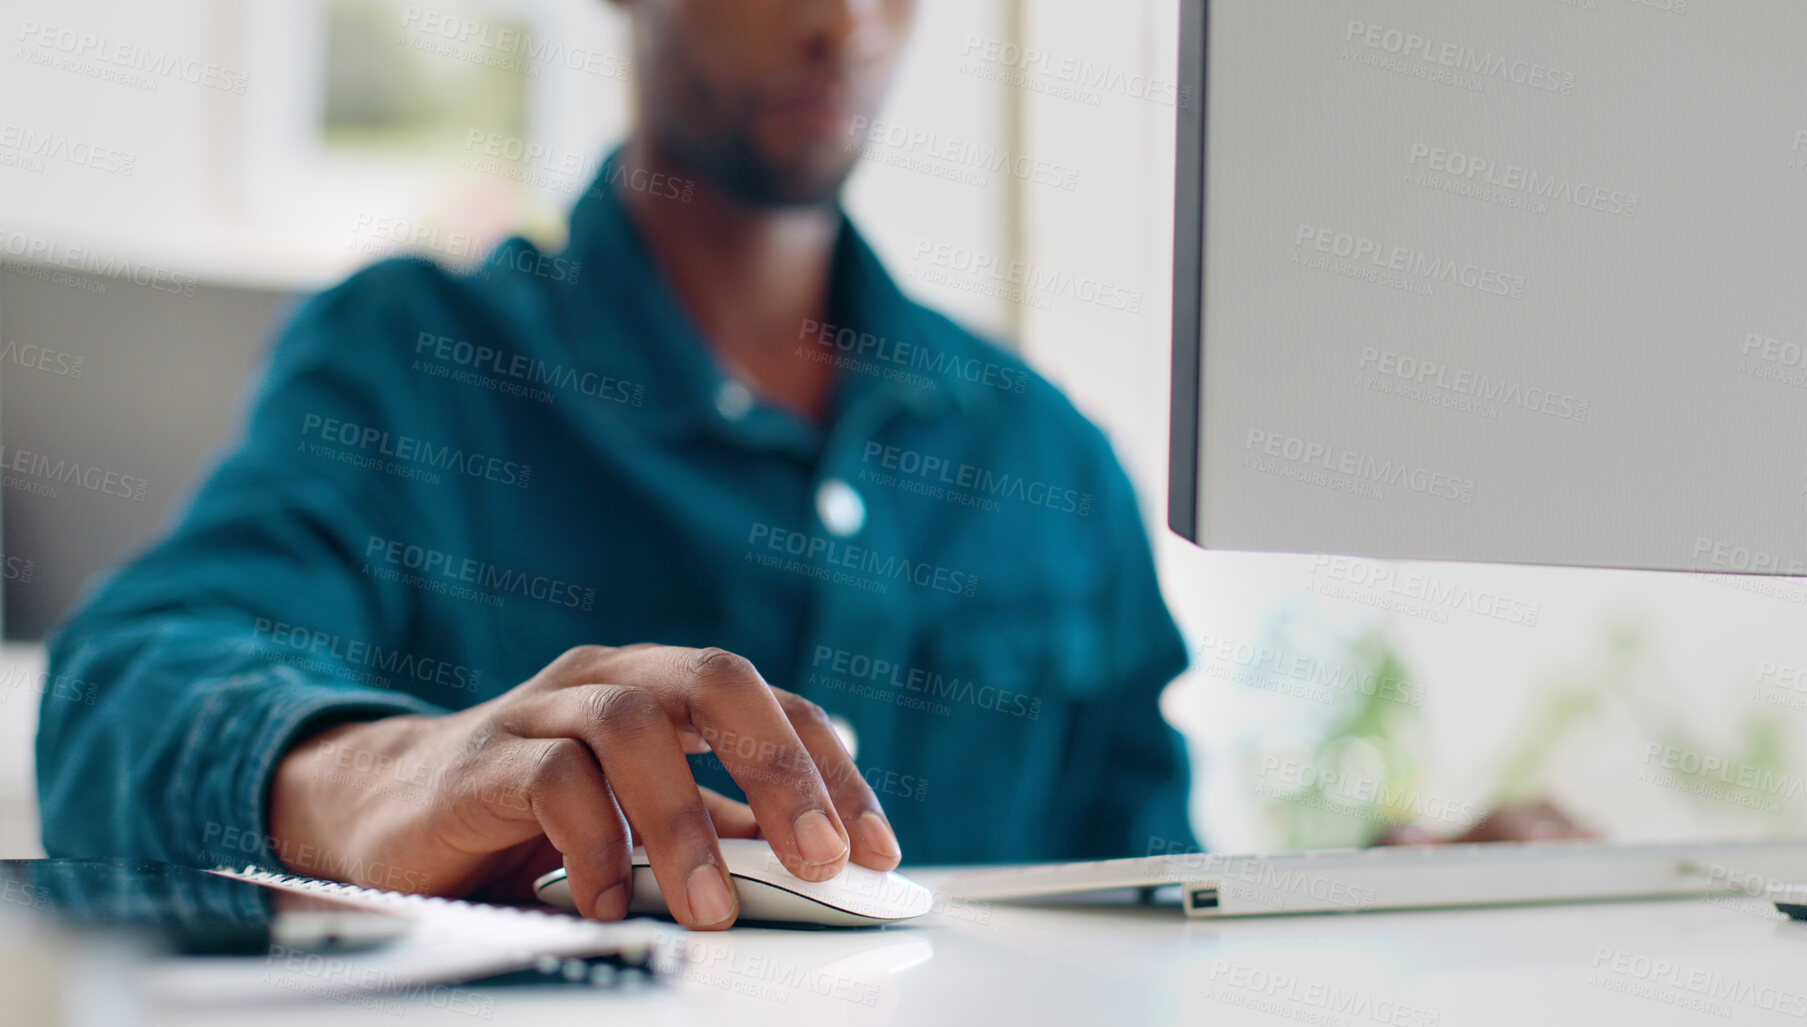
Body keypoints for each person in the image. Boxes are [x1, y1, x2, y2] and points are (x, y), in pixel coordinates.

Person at [36, 0, 1195, 930]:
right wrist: (396, 777)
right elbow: (122, 694)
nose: (846, 24)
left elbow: (1154, 884)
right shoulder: (413, 363)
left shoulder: (1048, 454)